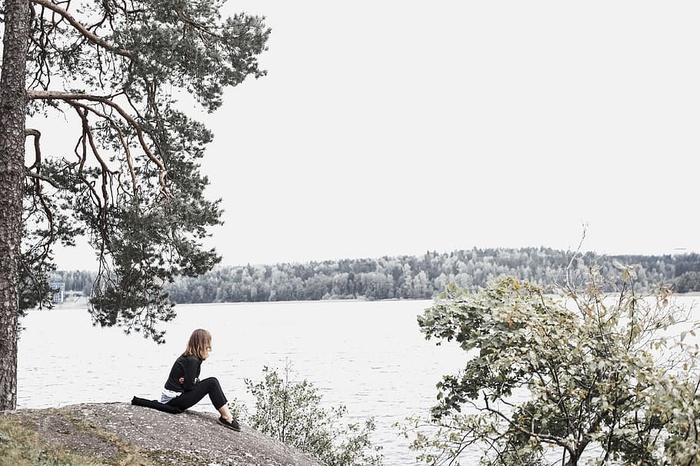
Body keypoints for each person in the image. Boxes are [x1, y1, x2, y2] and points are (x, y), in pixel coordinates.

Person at [160, 328, 241, 431]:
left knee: (212, 382)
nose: (209, 346)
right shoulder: (192, 360)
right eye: (208, 342)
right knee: (212, 383)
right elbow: (189, 387)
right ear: (203, 343)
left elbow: (191, 382)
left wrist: (190, 381)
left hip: (172, 398)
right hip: (172, 401)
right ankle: (226, 417)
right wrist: (190, 382)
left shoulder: (189, 357)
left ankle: (227, 416)